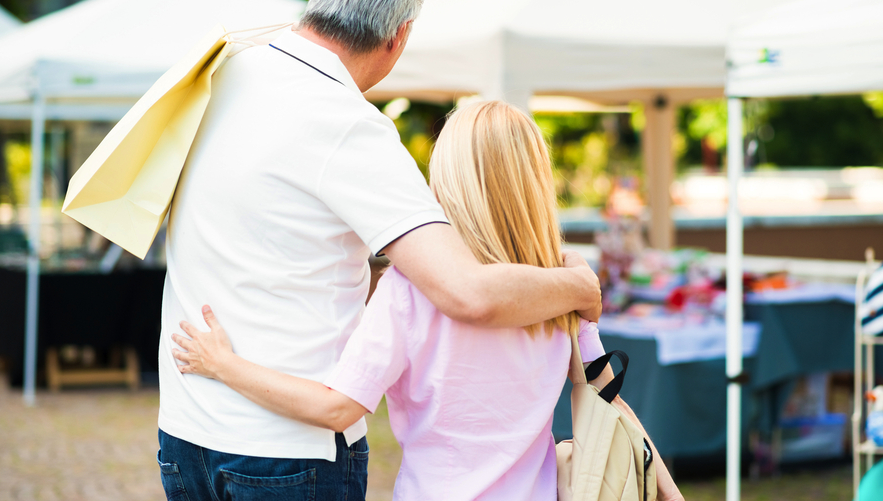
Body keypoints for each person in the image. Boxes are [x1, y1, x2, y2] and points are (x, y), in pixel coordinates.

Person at [157, 0, 601, 500]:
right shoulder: (347, 125)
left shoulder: (221, 77)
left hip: (186, 427)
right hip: (288, 451)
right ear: (400, 36)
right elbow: (467, 292)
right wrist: (577, 281)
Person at [172, 101, 684, 501]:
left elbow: (336, 408)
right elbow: (610, 403)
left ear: (451, 181)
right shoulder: (558, 287)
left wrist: (224, 365)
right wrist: (670, 492)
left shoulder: (409, 291)